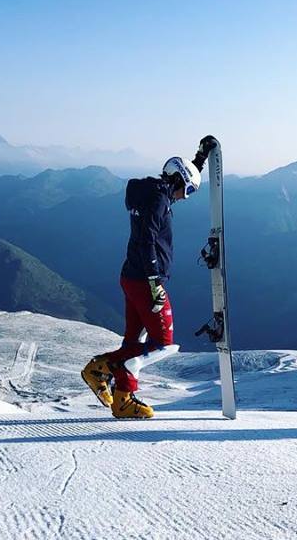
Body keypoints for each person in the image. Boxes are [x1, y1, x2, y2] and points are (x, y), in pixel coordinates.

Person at [82, 153, 202, 419]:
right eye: (189, 189)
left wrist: (200, 158)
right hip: (145, 280)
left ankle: (118, 393)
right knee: (163, 343)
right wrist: (154, 281)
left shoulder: (151, 193)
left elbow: (179, 178)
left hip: (131, 276)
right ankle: (108, 374)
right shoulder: (159, 199)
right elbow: (147, 238)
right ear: (178, 179)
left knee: (135, 341)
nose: (187, 196)